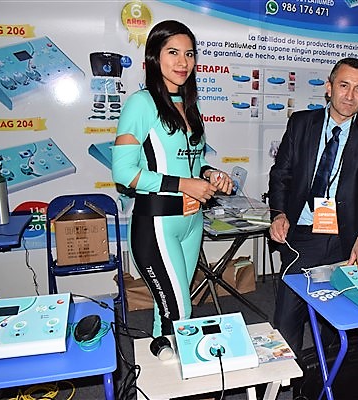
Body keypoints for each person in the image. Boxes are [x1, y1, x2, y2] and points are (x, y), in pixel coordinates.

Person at [111, 20, 233, 337]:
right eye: (173, 52)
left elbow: (195, 161)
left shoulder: (190, 104)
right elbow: (123, 173)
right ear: (155, 56)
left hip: (192, 222)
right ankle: (177, 364)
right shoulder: (141, 103)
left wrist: (210, 173)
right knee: (180, 311)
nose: (183, 62)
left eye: (189, 54)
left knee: (165, 312)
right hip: (157, 224)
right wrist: (183, 184)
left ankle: (161, 361)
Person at [268, 57, 358, 355]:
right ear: (329, 87)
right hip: (302, 235)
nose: (350, 95)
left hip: (346, 239)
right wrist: (279, 214)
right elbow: (281, 174)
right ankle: (287, 375)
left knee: (338, 320)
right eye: (344, 85)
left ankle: (327, 375)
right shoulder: (301, 123)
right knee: (287, 320)